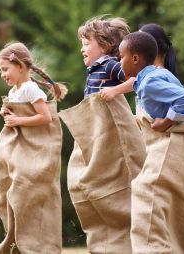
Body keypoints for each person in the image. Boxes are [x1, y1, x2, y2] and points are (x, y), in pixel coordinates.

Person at [119, 32, 184, 253]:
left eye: (121, 56)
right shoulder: (155, 76)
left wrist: (168, 119)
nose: (118, 62)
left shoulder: (150, 82)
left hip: (177, 140)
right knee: (174, 204)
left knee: (145, 189)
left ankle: (154, 249)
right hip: (182, 143)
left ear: (135, 59)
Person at [59, 16, 145, 253]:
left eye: (86, 43)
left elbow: (137, 80)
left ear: (105, 45)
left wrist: (115, 90)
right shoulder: (95, 69)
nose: (81, 48)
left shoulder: (109, 65)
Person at [0, 42, 67, 254]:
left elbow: (46, 117)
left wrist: (18, 120)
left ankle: (36, 244)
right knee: (8, 191)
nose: (3, 74)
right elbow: (16, 113)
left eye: (5, 69)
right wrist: (6, 112)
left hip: (34, 149)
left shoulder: (30, 88)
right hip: (18, 149)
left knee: (26, 191)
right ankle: (16, 240)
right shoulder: (14, 90)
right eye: (1, 71)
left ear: (21, 66)